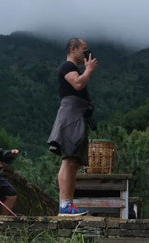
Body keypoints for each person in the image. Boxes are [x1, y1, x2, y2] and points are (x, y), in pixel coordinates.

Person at [47, 37, 98, 216]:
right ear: (73, 49)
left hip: (78, 115)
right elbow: (78, 84)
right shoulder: (67, 67)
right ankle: (65, 205)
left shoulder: (74, 68)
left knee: (74, 162)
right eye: (84, 49)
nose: (86, 52)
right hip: (71, 115)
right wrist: (89, 70)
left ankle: (68, 203)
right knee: (68, 160)